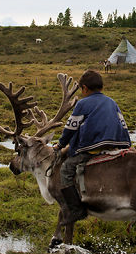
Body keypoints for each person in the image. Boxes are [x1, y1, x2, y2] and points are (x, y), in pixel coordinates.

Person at [55, 69, 131, 224]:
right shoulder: (112, 102)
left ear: (84, 88)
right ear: (101, 87)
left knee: (66, 170)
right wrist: (128, 145)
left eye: (82, 90)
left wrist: (60, 144)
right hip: (115, 147)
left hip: (93, 148)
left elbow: (71, 128)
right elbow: (123, 125)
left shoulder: (82, 103)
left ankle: (76, 210)